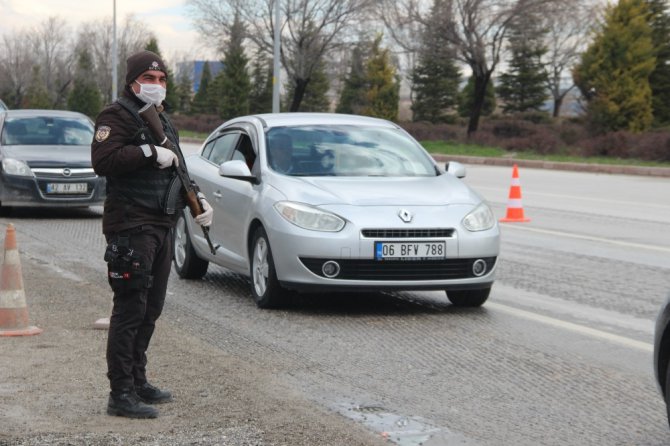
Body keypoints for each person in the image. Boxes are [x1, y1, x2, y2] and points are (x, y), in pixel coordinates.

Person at [91, 50, 213, 419]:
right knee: (130, 309)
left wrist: (198, 199)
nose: (156, 85)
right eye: (149, 79)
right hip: (131, 225)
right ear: (133, 82)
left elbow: (178, 164)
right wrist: (147, 152)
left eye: (161, 80)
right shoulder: (117, 115)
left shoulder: (161, 118)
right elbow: (103, 161)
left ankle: (138, 381)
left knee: (151, 307)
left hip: (161, 224)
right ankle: (121, 394)